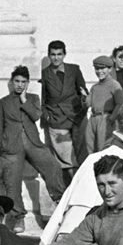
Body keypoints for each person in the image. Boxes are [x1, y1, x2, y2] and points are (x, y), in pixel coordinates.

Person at [0, 65, 67, 232]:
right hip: (11, 147)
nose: (20, 85)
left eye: (23, 82)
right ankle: (19, 217)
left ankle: (59, 203)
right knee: (12, 181)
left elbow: (36, 116)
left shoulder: (33, 99)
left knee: (52, 166)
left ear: (27, 83)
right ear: (12, 82)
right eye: (17, 81)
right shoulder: (2, 103)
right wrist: (1, 147)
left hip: (33, 142)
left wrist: (24, 101)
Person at [41, 40, 89, 175]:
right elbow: (43, 99)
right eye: (53, 54)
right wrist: (47, 115)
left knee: (83, 155)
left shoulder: (74, 69)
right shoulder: (44, 74)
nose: (56, 58)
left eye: (59, 54)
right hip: (57, 119)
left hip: (77, 117)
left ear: (64, 54)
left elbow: (83, 90)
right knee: (67, 162)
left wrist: (85, 99)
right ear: (49, 55)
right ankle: (69, 191)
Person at [84, 55, 123, 154]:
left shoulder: (114, 84)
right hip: (93, 119)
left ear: (110, 69)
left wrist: (112, 118)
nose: (99, 71)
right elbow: (88, 104)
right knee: (89, 147)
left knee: (103, 147)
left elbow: (120, 103)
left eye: (103, 68)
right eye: (97, 69)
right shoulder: (95, 87)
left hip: (106, 118)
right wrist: (83, 96)